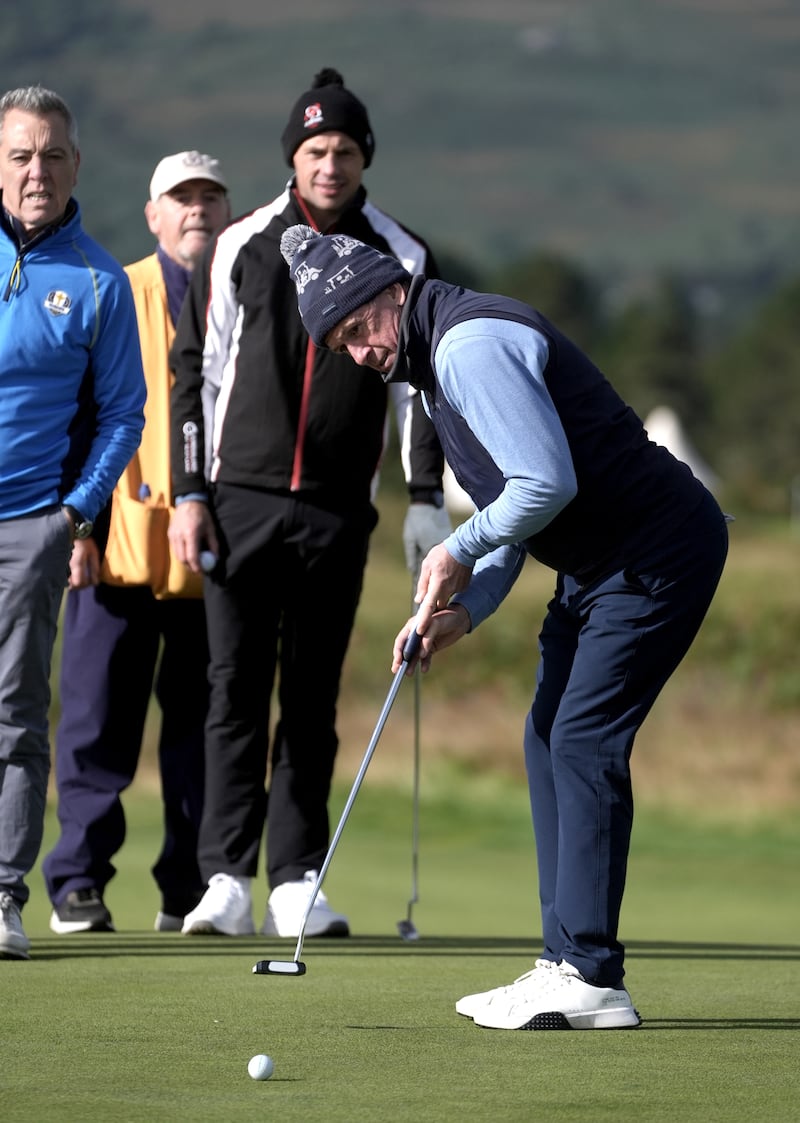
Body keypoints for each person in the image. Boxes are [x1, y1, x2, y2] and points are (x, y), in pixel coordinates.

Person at [280, 223, 730, 1029]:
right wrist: (466, 611)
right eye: (341, 343)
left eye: (358, 328)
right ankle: (563, 960)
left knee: (585, 737)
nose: (359, 352)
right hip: (601, 564)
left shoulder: (466, 347)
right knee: (546, 732)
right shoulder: (432, 369)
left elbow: (542, 483)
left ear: (390, 292)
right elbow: (513, 513)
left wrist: (458, 545)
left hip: (658, 549)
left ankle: (591, 973)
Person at [169, 68, 449, 939]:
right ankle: (225, 877)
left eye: (347, 151)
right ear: (294, 156)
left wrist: (426, 499)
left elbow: (422, 391)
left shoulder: (402, 254)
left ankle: (294, 873)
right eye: (317, 149)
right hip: (239, 498)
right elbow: (197, 371)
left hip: (337, 507)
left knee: (314, 698)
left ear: (367, 160)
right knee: (232, 690)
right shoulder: (243, 242)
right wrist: (189, 491)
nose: (332, 164)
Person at [42, 152, 232, 936]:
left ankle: (185, 886)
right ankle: (78, 881)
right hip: (116, 548)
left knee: (201, 736)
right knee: (95, 725)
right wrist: (76, 528)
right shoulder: (111, 289)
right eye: (180, 199)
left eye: (210, 198)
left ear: (231, 214)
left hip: (217, 558)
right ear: (153, 215)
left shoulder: (250, 297)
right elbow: (73, 419)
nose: (196, 211)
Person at [0, 86, 146, 960]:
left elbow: (125, 413)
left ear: (76, 165)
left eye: (52, 154)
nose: (36, 171)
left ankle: (2, 893)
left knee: (12, 714)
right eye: (20, 154)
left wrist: (77, 514)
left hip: (30, 525)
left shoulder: (98, 279)